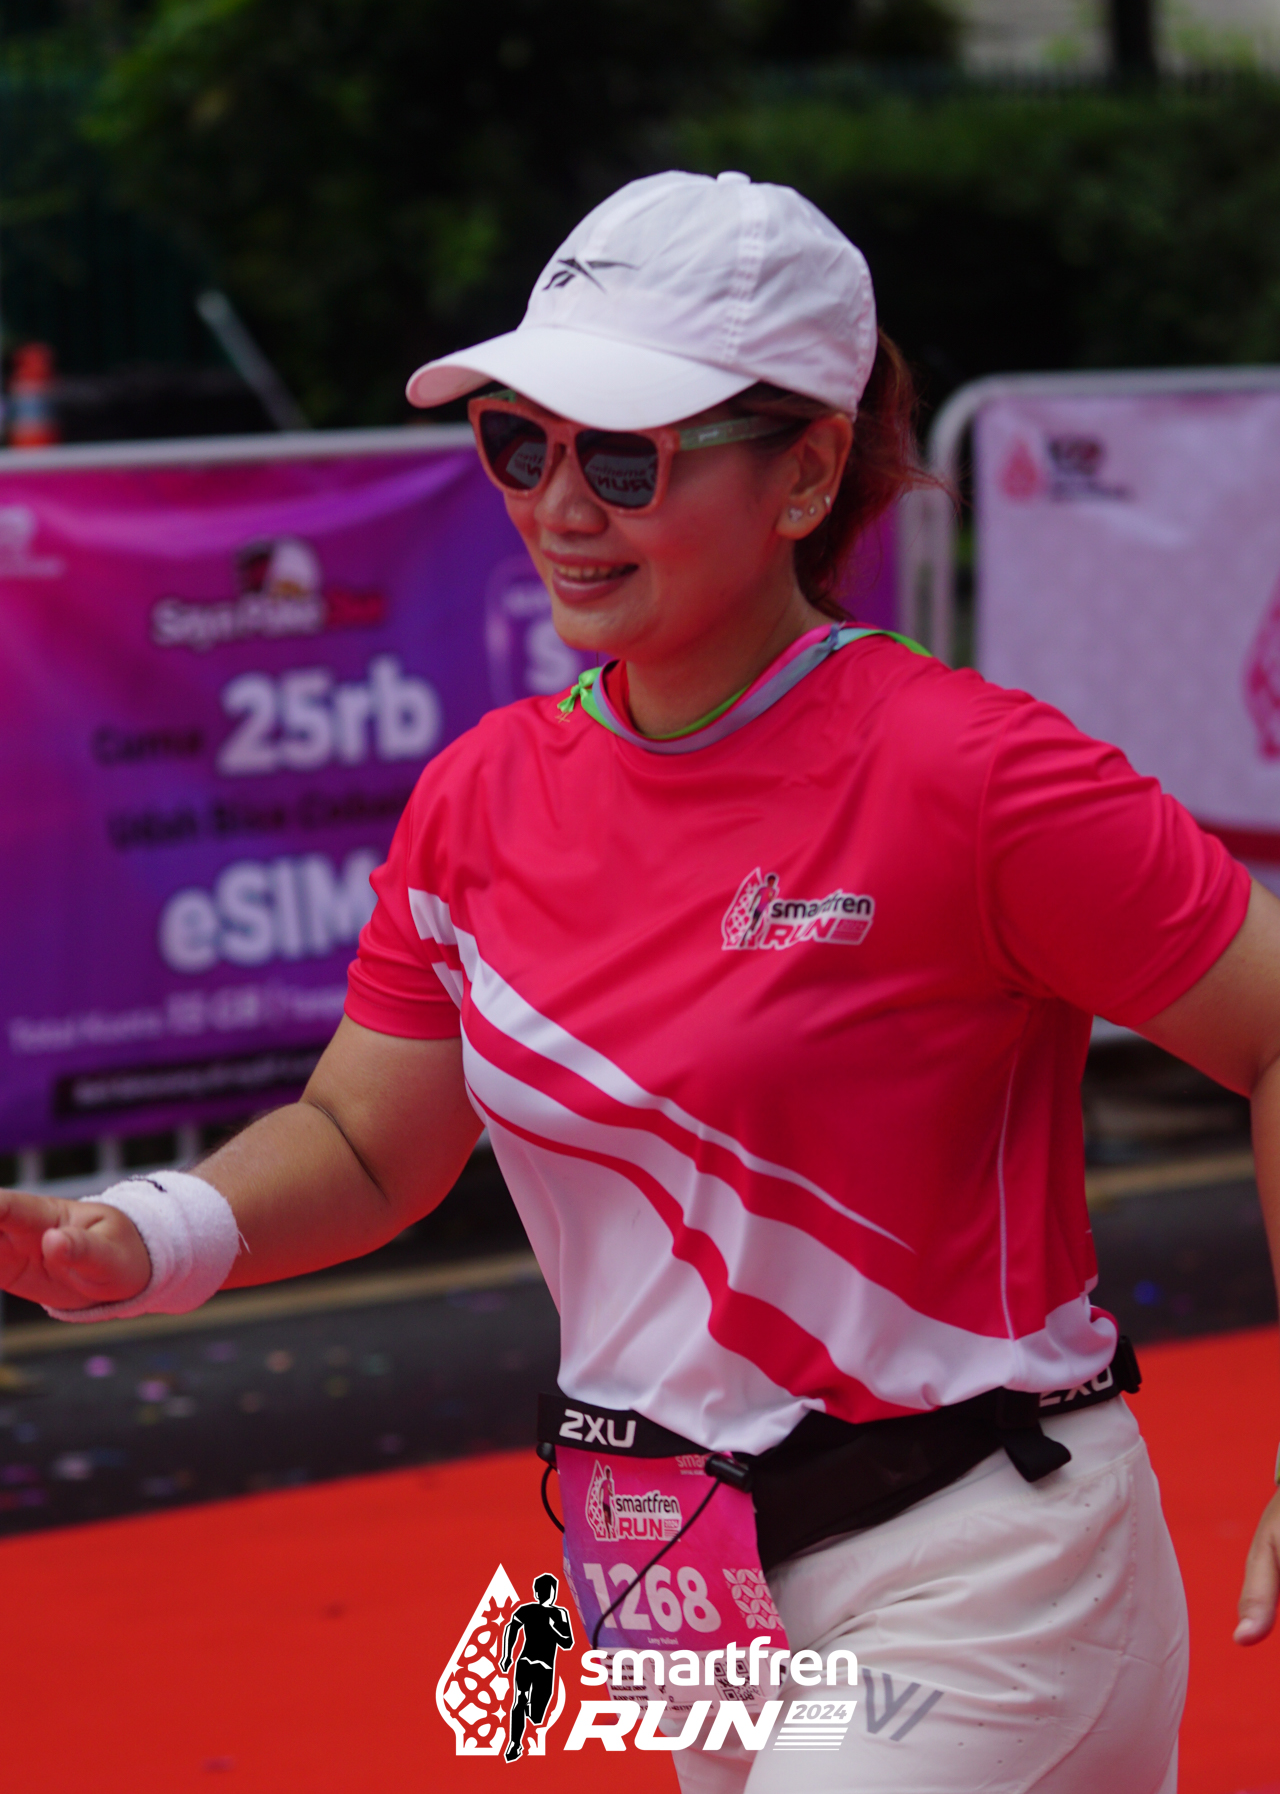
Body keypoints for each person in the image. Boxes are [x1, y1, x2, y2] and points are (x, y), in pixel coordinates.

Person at [2, 169, 1279, 1793]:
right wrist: (145, 1233)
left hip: (982, 1568)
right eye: (518, 442)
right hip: (682, 1593)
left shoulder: (977, 777)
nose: (559, 506)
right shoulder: (478, 795)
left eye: (626, 456)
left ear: (808, 471)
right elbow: (371, 1144)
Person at [499, 1572, 574, 1761]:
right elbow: (511, 1628)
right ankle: (515, 1743)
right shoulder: (527, 1610)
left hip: (544, 1668)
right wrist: (507, 1655)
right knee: (519, 1698)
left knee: (536, 1715)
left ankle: (526, 1712)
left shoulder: (560, 1613)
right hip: (527, 1662)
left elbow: (567, 1643)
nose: (546, 1593)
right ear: (537, 1592)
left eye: (548, 1590)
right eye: (543, 1590)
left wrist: (552, 1628)